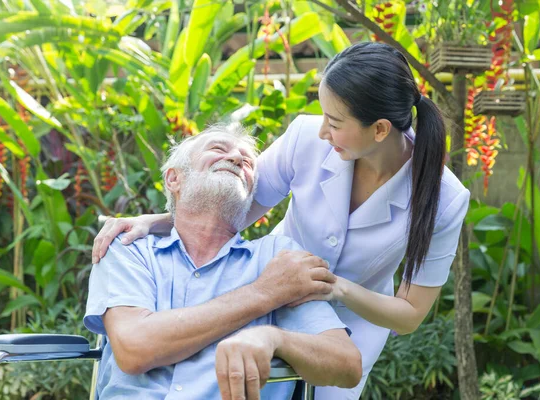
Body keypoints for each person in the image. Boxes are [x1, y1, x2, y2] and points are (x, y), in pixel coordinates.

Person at [91, 42, 470, 399]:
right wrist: (152, 221)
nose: (323, 131)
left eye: (334, 122)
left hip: (344, 324)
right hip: (275, 287)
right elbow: (235, 203)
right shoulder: (307, 138)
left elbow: (408, 315)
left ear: (380, 130)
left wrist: (333, 288)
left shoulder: (446, 200)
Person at [84, 124, 362, 400]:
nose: (237, 159)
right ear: (173, 179)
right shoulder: (129, 247)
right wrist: (264, 293)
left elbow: (347, 365)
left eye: (248, 161)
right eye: (218, 149)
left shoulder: (277, 258)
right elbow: (134, 349)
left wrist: (274, 338)